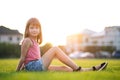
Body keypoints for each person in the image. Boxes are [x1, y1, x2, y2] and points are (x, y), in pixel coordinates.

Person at [16, 17, 108, 72]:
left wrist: (25, 67)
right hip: (34, 67)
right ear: (27, 29)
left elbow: (29, 58)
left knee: (64, 68)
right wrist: (17, 71)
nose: (34, 30)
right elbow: (23, 58)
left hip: (36, 65)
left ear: (40, 30)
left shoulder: (35, 42)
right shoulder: (27, 40)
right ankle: (79, 69)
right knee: (55, 49)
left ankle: (90, 70)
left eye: (36, 28)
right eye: (32, 28)